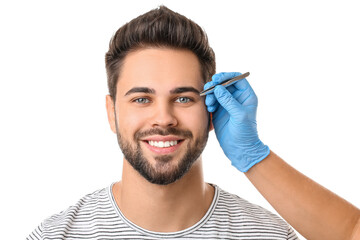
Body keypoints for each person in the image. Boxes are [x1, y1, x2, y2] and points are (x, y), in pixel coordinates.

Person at [27, 5, 359, 240]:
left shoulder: (269, 234)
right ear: (111, 112)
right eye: (142, 99)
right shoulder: (57, 235)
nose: (164, 118)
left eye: (184, 98)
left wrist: (253, 157)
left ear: (212, 110)